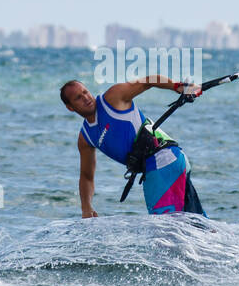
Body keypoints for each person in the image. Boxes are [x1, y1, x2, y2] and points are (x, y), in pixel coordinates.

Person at [60, 75, 206, 218]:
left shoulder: (112, 98)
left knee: (165, 229)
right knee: (195, 223)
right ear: (70, 108)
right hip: (168, 164)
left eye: (85, 92)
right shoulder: (86, 137)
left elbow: (147, 81)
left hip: (163, 161)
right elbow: (86, 176)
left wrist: (178, 87)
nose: (85, 98)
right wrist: (86, 207)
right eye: (78, 98)